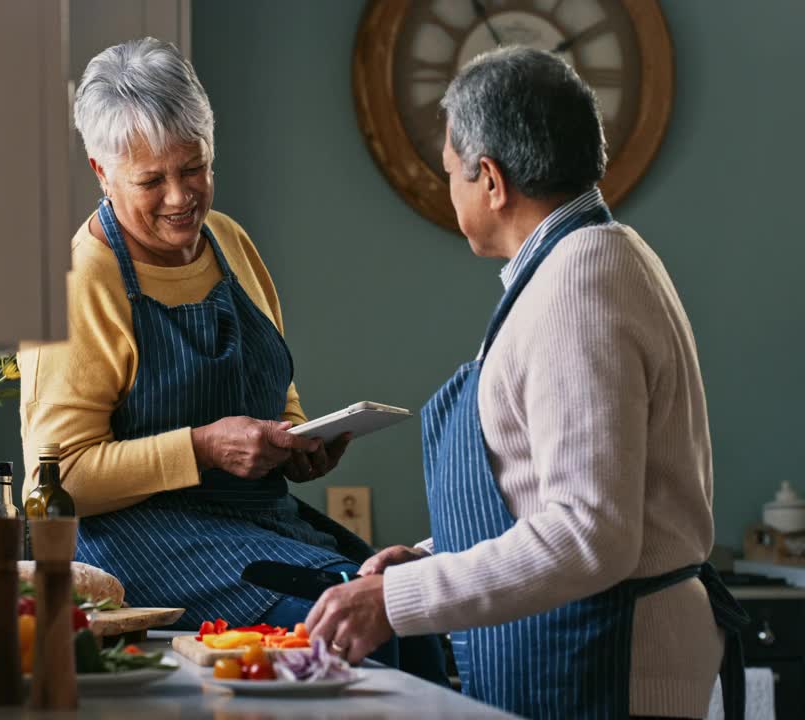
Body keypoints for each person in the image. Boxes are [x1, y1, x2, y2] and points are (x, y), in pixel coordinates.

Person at [305, 46, 747, 719]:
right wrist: (431, 555)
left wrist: (397, 601)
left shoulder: (579, 288)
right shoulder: (590, 261)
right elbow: (546, 491)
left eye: (450, 171)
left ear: (491, 179)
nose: (448, 185)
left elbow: (591, 530)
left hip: (612, 668)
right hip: (582, 653)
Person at [17, 37, 444, 681]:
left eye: (194, 168)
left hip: (257, 521)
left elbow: (274, 390)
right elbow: (56, 482)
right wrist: (204, 449)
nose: (180, 197)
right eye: (151, 180)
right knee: (355, 627)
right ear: (101, 173)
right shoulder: (81, 280)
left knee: (405, 606)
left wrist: (300, 443)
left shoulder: (230, 243)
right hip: (147, 542)